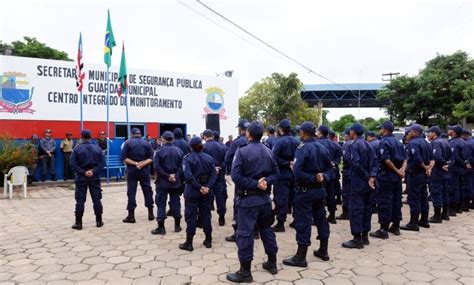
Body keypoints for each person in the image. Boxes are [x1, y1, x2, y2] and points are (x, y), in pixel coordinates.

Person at [226, 121, 279, 282]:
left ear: (248, 134)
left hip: (249, 200)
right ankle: (272, 263)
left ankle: (245, 272)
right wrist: (265, 181)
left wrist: (256, 183)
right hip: (264, 200)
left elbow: (235, 176)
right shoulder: (269, 151)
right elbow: (276, 174)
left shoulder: (242, 152)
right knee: (266, 230)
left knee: (245, 234)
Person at [283, 121, 334, 267]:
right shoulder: (322, 147)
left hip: (305, 191)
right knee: (321, 219)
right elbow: (332, 169)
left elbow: (298, 173)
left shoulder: (302, 148)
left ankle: (301, 256)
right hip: (319, 190)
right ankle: (323, 250)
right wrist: (324, 176)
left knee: (303, 222)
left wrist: (315, 177)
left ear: (303, 133)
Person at [341, 123, 376, 249]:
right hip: (368, 183)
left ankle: (357, 239)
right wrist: (372, 176)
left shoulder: (354, 145)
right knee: (367, 209)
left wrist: (367, 176)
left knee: (356, 209)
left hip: (358, 181)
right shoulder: (369, 144)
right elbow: (375, 162)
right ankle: (365, 236)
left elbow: (356, 164)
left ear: (353, 132)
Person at [179, 137, 217, 251]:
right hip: (206, 190)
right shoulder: (209, 158)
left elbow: (188, 177)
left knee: (191, 216)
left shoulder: (188, 159)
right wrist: (207, 187)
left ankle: (189, 243)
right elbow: (214, 174)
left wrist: (200, 187)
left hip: (193, 191)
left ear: (190, 146)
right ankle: (208, 240)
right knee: (206, 215)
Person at [370, 121, 407, 239]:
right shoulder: (398, 142)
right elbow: (405, 159)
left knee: (384, 201)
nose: (380, 130)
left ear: (384, 129)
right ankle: (396, 226)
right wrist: (402, 170)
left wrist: (397, 170)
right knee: (396, 201)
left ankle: (383, 229)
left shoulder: (384, 142)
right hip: (397, 177)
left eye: (381, 128)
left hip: (386, 176)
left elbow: (386, 160)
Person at [70, 130, 106, 230]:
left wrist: (83, 172)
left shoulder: (77, 149)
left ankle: (78, 223)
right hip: (94, 177)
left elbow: (73, 164)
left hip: (81, 178)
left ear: (81, 137)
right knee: (97, 199)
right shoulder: (97, 148)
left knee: (80, 200)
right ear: (91, 137)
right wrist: (93, 171)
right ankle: (99, 221)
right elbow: (102, 163)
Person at [151, 131, 184, 235]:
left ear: (163, 139)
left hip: (163, 181)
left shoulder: (159, 151)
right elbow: (182, 166)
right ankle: (177, 226)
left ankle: (161, 228)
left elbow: (156, 166)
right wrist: (175, 175)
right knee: (176, 202)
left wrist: (167, 175)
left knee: (161, 203)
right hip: (175, 181)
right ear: (173, 139)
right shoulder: (179, 151)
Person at [400, 124, 432, 231]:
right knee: (423, 197)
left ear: (415, 132)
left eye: (410, 132)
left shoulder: (413, 143)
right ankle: (424, 220)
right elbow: (431, 157)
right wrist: (428, 168)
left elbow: (417, 158)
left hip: (415, 174)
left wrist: (424, 166)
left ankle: (413, 223)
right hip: (423, 175)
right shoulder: (426, 142)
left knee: (414, 198)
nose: (408, 134)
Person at [121, 128, 155, 223]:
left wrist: (136, 163)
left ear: (131, 134)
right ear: (141, 134)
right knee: (147, 190)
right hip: (144, 170)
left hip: (132, 170)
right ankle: (151, 214)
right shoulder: (146, 143)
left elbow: (124, 158)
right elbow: (151, 158)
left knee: (131, 191)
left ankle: (131, 216)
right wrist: (143, 164)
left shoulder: (128, 143)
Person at [271, 119, 299, 232]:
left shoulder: (279, 141)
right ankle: (296, 220)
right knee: (295, 198)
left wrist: (286, 163)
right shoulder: (297, 141)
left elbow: (274, 158)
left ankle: (280, 223)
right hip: (295, 173)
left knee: (281, 198)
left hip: (282, 173)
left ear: (280, 129)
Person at [224, 119, 249, 242]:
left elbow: (228, 158)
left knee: (238, 204)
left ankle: (237, 232)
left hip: (241, 178)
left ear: (241, 129)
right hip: (255, 179)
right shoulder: (259, 143)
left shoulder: (237, 143)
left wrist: (232, 170)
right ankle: (254, 231)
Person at [316, 125, 342, 224]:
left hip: (319, 174)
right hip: (332, 173)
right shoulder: (335, 145)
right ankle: (332, 215)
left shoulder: (316, 144)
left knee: (320, 195)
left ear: (320, 133)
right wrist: (333, 164)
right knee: (331, 194)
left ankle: (320, 217)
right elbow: (338, 160)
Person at [426, 126, 452, 223]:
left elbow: (436, 156)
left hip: (438, 172)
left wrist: (443, 165)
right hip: (445, 172)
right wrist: (447, 165)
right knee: (444, 193)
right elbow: (450, 157)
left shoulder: (436, 142)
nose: (429, 134)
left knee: (436, 193)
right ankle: (445, 214)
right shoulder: (446, 141)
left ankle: (437, 216)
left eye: (430, 132)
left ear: (434, 133)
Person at [203, 129, 228, 226]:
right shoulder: (222, 146)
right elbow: (226, 160)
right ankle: (221, 217)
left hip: (207, 176)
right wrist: (220, 167)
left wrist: (212, 169)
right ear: (212, 136)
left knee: (206, 195)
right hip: (220, 175)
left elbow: (202, 161)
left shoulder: (203, 147)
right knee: (220, 196)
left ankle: (206, 218)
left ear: (205, 137)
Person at [447, 125, 471, 216]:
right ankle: (459, 207)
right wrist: (465, 163)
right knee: (460, 187)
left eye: (451, 129)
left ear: (454, 132)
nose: (449, 130)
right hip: (462, 168)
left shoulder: (454, 143)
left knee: (452, 188)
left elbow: (454, 158)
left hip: (455, 168)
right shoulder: (464, 142)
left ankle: (452, 209)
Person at [337, 129, 352, 220]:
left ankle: (346, 213)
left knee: (346, 192)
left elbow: (346, 159)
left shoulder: (347, 144)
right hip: (355, 173)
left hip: (348, 171)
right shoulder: (363, 143)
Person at [366, 131, 380, 213]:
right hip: (381, 169)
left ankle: (373, 205)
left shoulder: (371, 145)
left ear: (369, 137)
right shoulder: (380, 142)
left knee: (373, 187)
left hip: (374, 169)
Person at [461, 129, 473, 211]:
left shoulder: (468, 143)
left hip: (469, 167)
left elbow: (467, 157)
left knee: (467, 185)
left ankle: (466, 204)